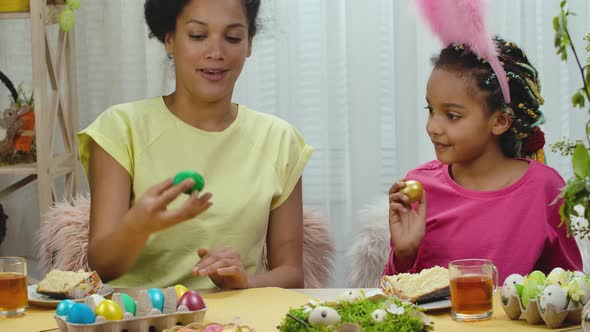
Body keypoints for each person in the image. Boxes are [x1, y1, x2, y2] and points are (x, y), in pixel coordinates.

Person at [77, 0, 313, 290]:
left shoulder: (279, 139)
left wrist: (246, 281)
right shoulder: (120, 128)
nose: (216, 53)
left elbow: (291, 273)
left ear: (249, 44)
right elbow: (101, 267)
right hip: (141, 319)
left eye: (233, 37)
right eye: (198, 36)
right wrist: (137, 227)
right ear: (170, 40)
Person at [384, 38, 582, 283]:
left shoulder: (545, 188)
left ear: (499, 121)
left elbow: (570, 290)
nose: (433, 127)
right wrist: (404, 253)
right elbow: (396, 296)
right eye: (430, 110)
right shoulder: (419, 187)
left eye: (452, 115)